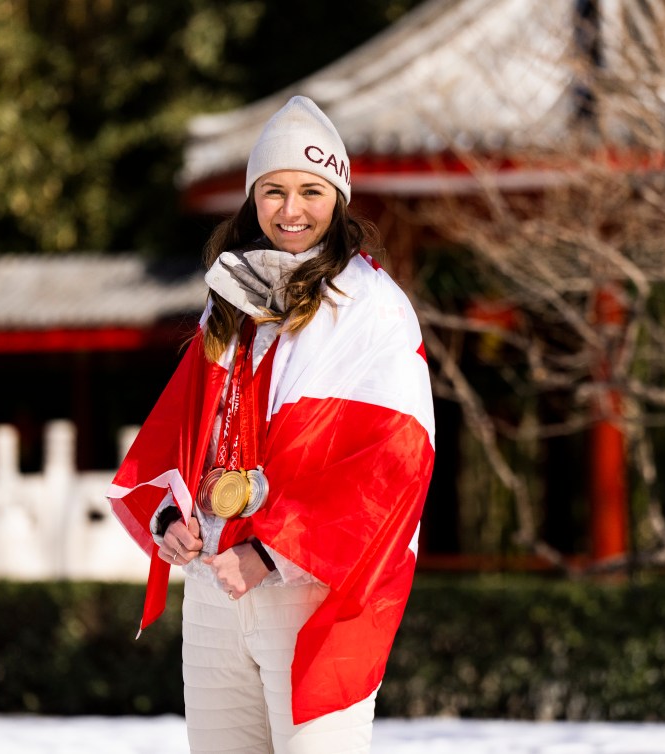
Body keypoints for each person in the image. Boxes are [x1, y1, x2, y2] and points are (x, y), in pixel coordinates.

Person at [107, 95, 435, 754]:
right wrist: (170, 520)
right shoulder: (229, 301)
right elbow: (182, 428)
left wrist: (268, 552)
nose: (291, 210)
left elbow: (391, 463)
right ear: (252, 199)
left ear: (338, 198)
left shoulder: (370, 307)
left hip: (305, 588)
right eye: (273, 191)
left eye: (311, 191)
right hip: (212, 591)